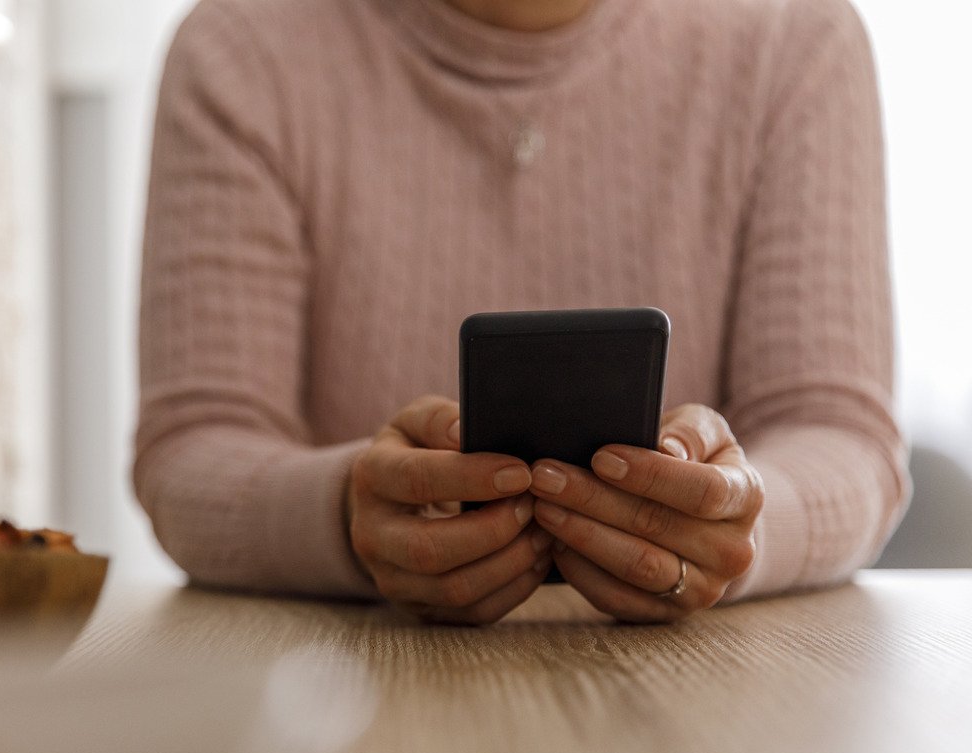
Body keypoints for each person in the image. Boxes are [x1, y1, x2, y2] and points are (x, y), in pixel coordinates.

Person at [133, 0, 910, 624]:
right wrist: (345, 518)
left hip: (702, 708)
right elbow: (193, 450)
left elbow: (844, 437)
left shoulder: (796, 38)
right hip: (341, 698)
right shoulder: (240, 50)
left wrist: (738, 527)